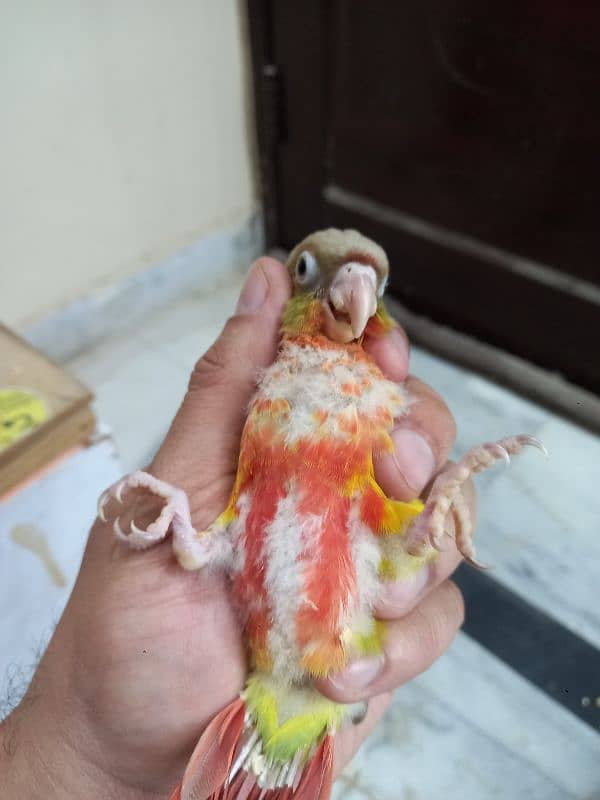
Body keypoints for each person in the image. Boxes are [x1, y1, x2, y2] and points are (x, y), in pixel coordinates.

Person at [0, 257, 472, 798]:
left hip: (323, 670)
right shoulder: (267, 395)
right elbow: (238, 527)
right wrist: (186, 528)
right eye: (311, 269)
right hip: (260, 676)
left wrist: (427, 521)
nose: (351, 285)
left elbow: (379, 532)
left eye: (375, 281)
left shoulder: (370, 399)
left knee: (399, 538)